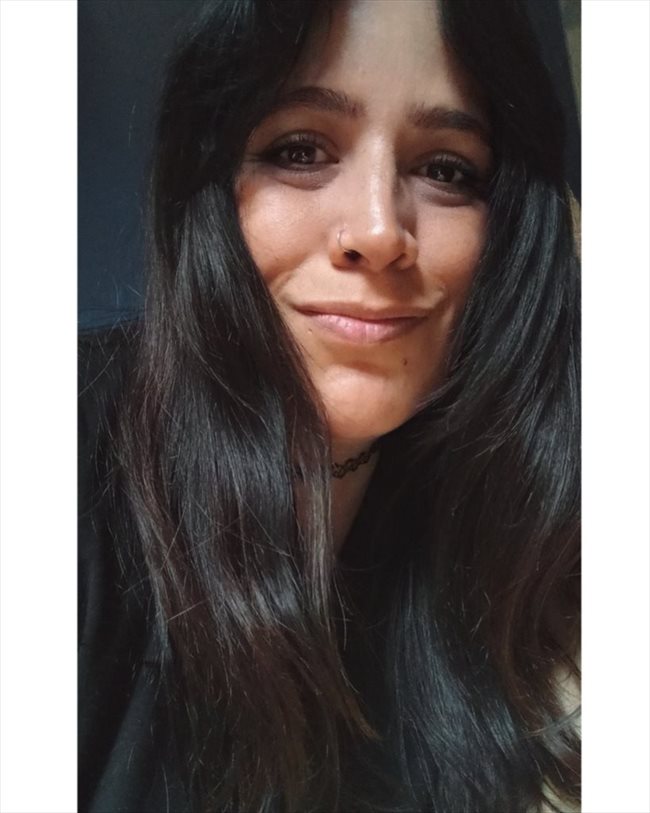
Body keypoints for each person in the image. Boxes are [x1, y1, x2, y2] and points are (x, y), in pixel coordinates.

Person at [78, 1, 581, 811]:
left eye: (447, 169)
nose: (379, 231)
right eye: (300, 150)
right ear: (206, 191)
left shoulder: (521, 508)